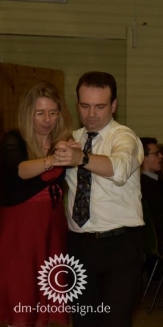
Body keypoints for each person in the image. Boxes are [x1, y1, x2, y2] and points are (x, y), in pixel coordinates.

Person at [52, 72, 144, 327]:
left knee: (116, 321)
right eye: (85, 106)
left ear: (113, 106)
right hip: (79, 245)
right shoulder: (71, 139)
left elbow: (120, 168)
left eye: (100, 106)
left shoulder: (124, 137)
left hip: (120, 245)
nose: (91, 114)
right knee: (83, 321)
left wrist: (81, 158)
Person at [0, 81, 72, 327]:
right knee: (21, 292)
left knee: (47, 297)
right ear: (28, 113)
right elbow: (20, 170)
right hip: (20, 230)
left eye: (53, 112)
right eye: (40, 113)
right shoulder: (14, 139)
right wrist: (53, 159)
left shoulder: (63, 141)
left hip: (52, 228)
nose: (47, 120)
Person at [139, 137, 163, 253]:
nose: (161, 156)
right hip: (158, 244)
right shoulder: (143, 185)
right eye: (156, 153)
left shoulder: (158, 182)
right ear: (144, 157)